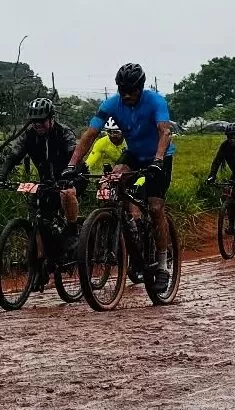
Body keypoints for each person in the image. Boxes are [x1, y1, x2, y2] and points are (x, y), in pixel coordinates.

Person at [64, 63, 176, 292]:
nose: (126, 95)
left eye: (131, 91)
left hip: (159, 155)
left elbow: (164, 131)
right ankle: (126, 227)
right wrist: (72, 165)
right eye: (122, 90)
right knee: (112, 180)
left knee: (155, 207)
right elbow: (90, 134)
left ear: (140, 88)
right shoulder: (111, 104)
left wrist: (158, 159)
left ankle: (163, 266)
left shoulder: (156, 101)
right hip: (134, 154)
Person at [0, 98, 83, 252]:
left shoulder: (64, 133)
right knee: (37, 214)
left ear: (52, 118)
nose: (37, 124)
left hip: (73, 176)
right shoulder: (29, 135)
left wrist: (70, 174)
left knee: (67, 193)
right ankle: (41, 257)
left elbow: (75, 156)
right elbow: (13, 156)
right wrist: (2, 174)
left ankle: (73, 231)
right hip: (47, 181)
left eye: (42, 120)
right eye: (34, 121)